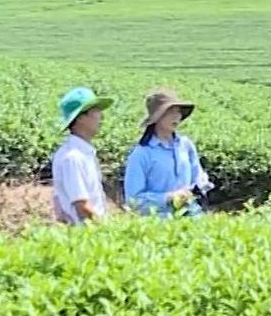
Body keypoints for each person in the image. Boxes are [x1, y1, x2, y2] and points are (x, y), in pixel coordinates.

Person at [124, 88, 213, 218]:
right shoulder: (141, 154)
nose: (176, 117)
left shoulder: (186, 145)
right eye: (170, 112)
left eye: (178, 112)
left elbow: (198, 176)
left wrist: (199, 188)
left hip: (192, 216)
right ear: (157, 118)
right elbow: (134, 200)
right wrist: (168, 198)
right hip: (159, 223)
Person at [51, 86, 114, 225]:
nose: (100, 116)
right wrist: (106, 229)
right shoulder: (73, 157)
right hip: (86, 233)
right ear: (80, 118)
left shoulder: (83, 152)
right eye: (95, 111)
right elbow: (82, 206)